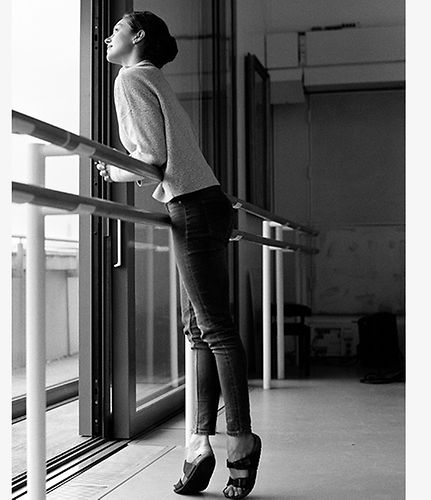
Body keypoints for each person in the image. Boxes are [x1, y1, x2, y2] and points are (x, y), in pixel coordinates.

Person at [97, 11, 261, 499]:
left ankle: (240, 438)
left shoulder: (131, 78)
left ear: (138, 36)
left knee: (214, 328)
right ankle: (199, 442)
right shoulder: (153, 77)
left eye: (116, 29)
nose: (107, 36)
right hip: (203, 202)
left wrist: (113, 170)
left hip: (190, 205)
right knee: (200, 329)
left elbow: (152, 159)